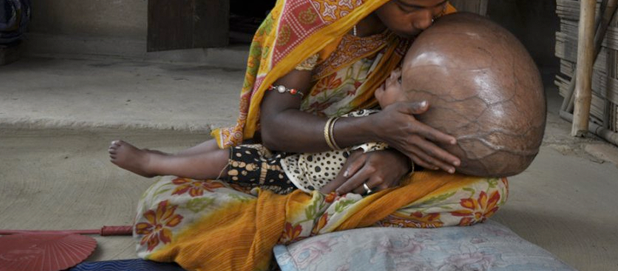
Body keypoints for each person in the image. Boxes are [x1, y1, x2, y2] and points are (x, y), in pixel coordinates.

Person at [131, 0, 509, 271]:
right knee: (170, 204)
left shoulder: (439, 25)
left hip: (377, 158)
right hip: (290, 159)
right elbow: (276, 129)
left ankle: (308, 220)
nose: (427, 22)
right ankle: (333, 218)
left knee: (488, 188)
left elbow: (449, 121)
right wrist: (374, 127)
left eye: (440, 5)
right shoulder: (310, 13)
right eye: (410, 9)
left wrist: (398, 158)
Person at [109, 67, 407, 195]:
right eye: (397, 71)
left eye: (402, 80)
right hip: (296, 155)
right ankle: (167, 158)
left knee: (230, 161)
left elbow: (345, 180)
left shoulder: (382, 145)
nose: (391, 74)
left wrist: (314, 205)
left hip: (294, 178)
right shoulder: (376, 116)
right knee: (237, 145)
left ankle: (155, 164)